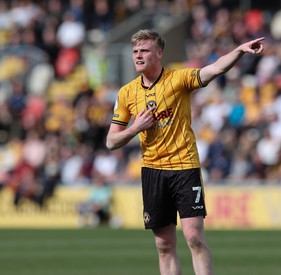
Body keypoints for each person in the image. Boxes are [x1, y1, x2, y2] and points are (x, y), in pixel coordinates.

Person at [106, 29, 264, 275]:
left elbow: (214, 69)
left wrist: (238, 51)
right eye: (135, 51)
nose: (138, 55)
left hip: (184, 166)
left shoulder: (178, 79)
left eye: (144, 50)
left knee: (194, 237)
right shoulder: (126, 93)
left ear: (159, 53)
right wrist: (135, 128)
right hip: (152, 170)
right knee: (163, 244)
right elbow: (111, 141)